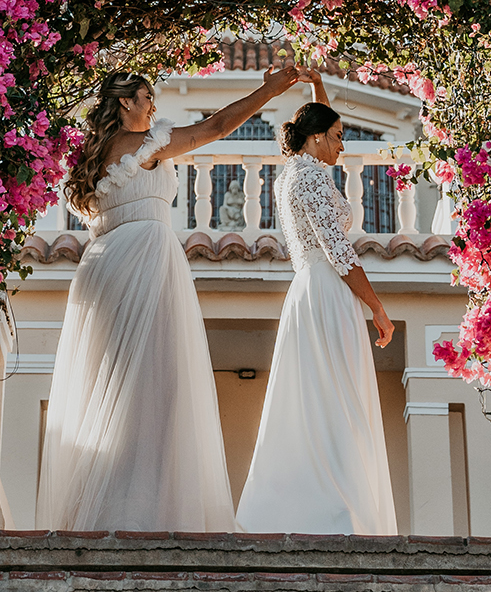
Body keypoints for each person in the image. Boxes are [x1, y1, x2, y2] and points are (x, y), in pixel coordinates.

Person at [35, 63, 303, 531]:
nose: (154, 106)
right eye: (147, 98)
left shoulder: (92, 160)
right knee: (157, 388)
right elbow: (217, 126)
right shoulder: (150, 146)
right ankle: (147, 508)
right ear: (126, 103)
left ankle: (112, 506)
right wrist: (269, 90)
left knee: (113, 387)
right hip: (143, 260)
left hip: (102, 267)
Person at [236, 73, 398, 536]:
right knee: (334, 396)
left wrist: (317, 87)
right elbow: (338, 250)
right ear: (315, 138)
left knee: (327, 395)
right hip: (327, 291)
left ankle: (339, 501)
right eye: (339, 137)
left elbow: (320, 126)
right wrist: (377, 308)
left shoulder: (300, 170)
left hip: (315, 292)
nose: (343, 146)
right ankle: (332, 509)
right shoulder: (308, 179)